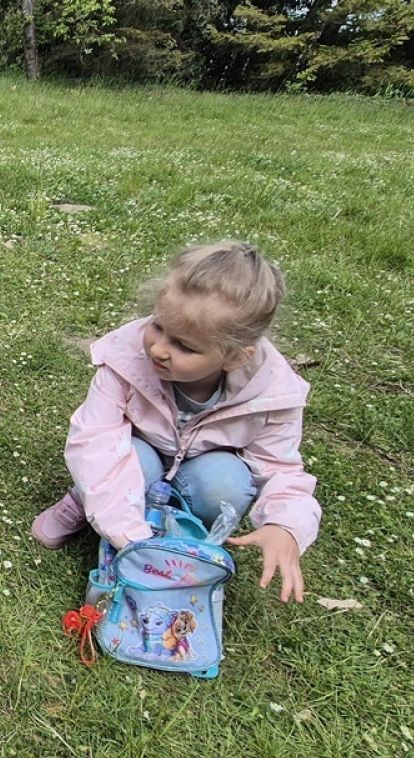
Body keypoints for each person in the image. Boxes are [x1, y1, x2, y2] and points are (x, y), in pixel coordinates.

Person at [32, 240, 319, 602]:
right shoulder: (126, 358)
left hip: (201, 469)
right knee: (127, 460)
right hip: (135, 455)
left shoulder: (273, 394)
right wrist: (131, 536)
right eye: (158, 326)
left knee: (226, 483)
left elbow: (281, 469)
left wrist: (285, 525)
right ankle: (85, 501)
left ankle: (182, 533)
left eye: (184, 346)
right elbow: (95, 442)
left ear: (234, 357)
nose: (158, 349)